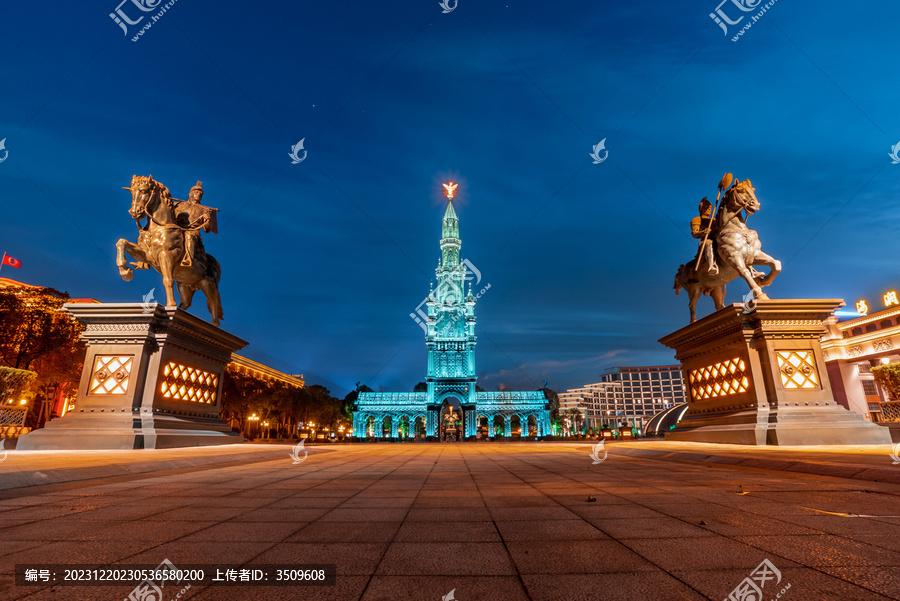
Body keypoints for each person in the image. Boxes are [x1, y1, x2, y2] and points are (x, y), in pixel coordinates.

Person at [174, 181, 218, 267]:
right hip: (178, 228)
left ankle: (188, 259)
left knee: (189, 236)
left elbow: (207, 229)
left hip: (192, 230)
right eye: (196, 192)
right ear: (191, 194)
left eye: (200, 193)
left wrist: (207, 220)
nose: (199, 194)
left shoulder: (204, 209)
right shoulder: (180, 205)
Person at [690, 197, 718, 275]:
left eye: (709, 207)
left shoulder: (715, 220)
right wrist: (703, 232)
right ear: (701, 208)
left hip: (716, 240)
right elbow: (694, 233)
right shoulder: (697, 220)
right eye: (706, 207)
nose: (708, 209)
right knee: (709, 242)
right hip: (705, 242)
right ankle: (711, 266)